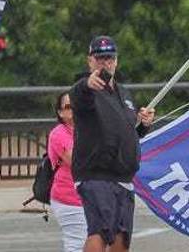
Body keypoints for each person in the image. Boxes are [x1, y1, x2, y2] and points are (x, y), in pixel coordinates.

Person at [70, 36, 154, 252]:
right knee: (99, 231)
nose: (105, 63)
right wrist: (87, 84)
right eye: (99, 58)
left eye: (109, 58)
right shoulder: (86, 89)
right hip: (97, 174)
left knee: (121, 239)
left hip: (123, 176)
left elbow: (127, 133)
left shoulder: (124, 93)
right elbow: (79, 94)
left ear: (116, 60)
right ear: (90, 61)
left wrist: (143, 125)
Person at [49, 92, 85, 252]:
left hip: (93, 196)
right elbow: (77, 160)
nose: (74, 110)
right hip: (69, 197)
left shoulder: (90, 130)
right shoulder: (59, 134)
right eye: (69, 107)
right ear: (60, 112)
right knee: (77, 243)